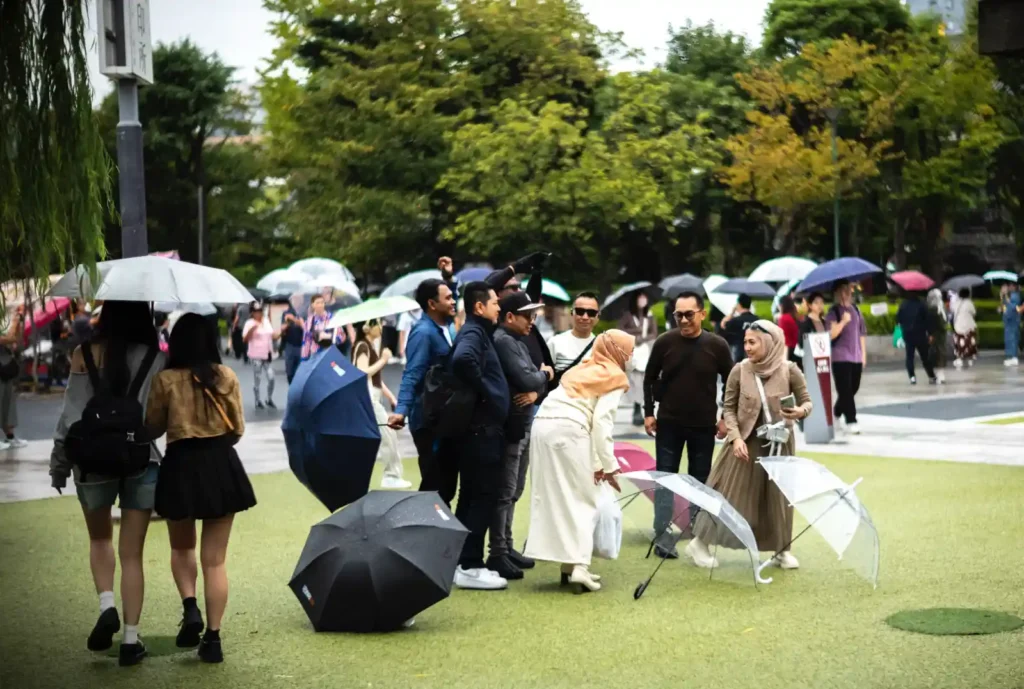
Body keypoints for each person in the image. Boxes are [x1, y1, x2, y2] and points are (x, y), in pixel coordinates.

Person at [48, 301, 165, 666]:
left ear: (107, 315)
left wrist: (59, 465)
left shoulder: (82, 354)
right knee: (132, 554)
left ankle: (106, 605)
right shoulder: (154, 358)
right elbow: (157, 418)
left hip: (92, 462)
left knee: (99, 539)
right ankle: (131, 641)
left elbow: (70, 415)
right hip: (140, 460)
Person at [146, 313, 254, 664]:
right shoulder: (226, 376)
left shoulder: (166, 380)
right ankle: (214, 637)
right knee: (216, 560)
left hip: (180, 465)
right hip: (221, 464)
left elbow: (153, 427)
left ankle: (190, 607)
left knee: (181, 549)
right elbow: (237, 429)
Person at [693, 321, 812, 569]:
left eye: (752, 342)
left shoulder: (790, 370)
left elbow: (807, 403)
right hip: (745, 444)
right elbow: (728, 409)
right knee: (729, 496)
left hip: (780, 444)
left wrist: (799, 412)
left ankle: (782, 550)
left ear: (769, 343)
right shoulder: (740, 370)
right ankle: (699, 543)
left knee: (778, 499)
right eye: (745, 341)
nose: (746, 347)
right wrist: (735, 438)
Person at [525, 330, 635, 593]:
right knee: (586, 500)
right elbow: (601, 423)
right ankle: (579, 568)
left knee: (554, 497)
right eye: (627, 350)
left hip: (541, 428)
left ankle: (567, 564)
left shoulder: (580, 370)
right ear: (616, 351)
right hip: (571, 430)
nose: (630, 356)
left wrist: (599, 464)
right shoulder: (615, 376)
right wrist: (609, 467)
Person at [643, 292, 734, 559]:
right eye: (678, 315)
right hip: (668, 424)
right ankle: (662, 535)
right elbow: (648, 378)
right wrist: (648, 413)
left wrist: (725, 416)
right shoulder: (664, 342)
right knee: (665, 479)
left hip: (704, 425)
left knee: (700, 482)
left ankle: (699, 536)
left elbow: (732, 382)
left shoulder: (717, 345)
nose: (683, 320)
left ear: (702, 314)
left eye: (688, 314)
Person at [444, 281, 510, 591]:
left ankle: (462, 562)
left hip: (476, 431)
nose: (499, 306)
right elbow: (462, 361)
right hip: (482, 432)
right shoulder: (473, 333)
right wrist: (490, 392)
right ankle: (470, 564)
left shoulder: (475, 331)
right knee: (481, 496)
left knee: (471, 497)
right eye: (495, 302)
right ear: (479, 307)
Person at [490, 292, 552, 580]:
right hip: (512, 425)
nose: (532, 321)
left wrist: (537, 384)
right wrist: (544, 376)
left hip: (523, 423)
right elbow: (531, 378)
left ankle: (506, 545)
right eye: (528, 315)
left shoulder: (516, 342)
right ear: (510, 316)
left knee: (514, 490)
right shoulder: (504, 341)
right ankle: (498, 552)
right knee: (505, 491)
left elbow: (534, 386)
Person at [388, 279, 457, 498]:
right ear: (432, 304)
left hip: (443, 416)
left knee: (444, 485)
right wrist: (401, 410)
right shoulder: (423, 333)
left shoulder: (444, 327)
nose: (453, 301)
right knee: (435, 485)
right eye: (448, 298)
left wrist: (449, 277)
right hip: (428, 420)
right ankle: (418, 527)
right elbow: (412, 373)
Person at [352, 319, 409, 489]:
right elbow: (362, 373)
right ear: (367, 328)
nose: (380, 328)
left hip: (373, 395)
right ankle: (390, 475)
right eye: (377, 324)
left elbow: (377, 379)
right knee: (387, 434)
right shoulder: (362, 346)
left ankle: (391, 474)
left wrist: (391, 397)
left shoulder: (369, 346)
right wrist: (383, 360)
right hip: (368, 396)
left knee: (385, 435)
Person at [826, 281, 867, 436]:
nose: (846, 293)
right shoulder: (834, 312)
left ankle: (836, 412)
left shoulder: (856, 310)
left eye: (848, 290)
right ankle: (851, 420)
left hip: (855, 356)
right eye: (842, 291)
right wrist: (843, 321)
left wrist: (863, 355)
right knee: (845, 390)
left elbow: (862, 333)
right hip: (840, 356)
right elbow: (831, 334)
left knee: (853, 388)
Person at [619, 291, 658, 426]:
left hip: (645, 351)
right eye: (640, 297)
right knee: (634, 381)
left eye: (644, 297)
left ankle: (643, 409)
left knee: (644, 381)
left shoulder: (650, 315)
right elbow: (621, 329)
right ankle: (636, 409)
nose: (642, 300)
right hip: (632, 351)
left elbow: (654, 333)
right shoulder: (628, 315)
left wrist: (643, 338)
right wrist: (636, 334)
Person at [547, 292, 599, 381]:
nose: (585, 317)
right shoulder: (555, 343)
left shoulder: (602, 346)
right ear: (572, 313)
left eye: (591, 313)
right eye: (580, 311)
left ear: (598, 316)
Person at [243, 304, 281, 409]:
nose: (258, 313)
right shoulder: (249, 323)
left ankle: (269, 398)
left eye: (260, 311)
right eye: (256, 311)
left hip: (267, 354)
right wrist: (252, 330)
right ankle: (257, 400)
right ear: (252, 313)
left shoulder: (266, 321)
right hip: (255, 355)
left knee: (271, 377)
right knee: (257, 377)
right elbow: (245, 339)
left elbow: (272, 335)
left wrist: (281, 331)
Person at [0, 306, 27, 450]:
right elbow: (9, 339)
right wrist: (15, 322)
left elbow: (16, 341)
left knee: (8, 403)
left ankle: (10, 437)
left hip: (5, 369)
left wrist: (18, 324)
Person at [896, 293, 936, 385]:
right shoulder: (922, 304)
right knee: (925, 356)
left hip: (907, 334)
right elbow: (927, 319)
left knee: (910, 356)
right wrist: (930, 333)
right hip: (920, 334)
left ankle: (912, 377)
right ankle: (931, 376)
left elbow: (898, 319)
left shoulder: (903, 305)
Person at [721, 294, 758, 362]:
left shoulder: (735, 321)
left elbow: (723, 325)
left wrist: (732, 313)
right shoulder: (757, 320)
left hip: (738, 353)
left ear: (739, 304)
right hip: (754, 353)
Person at [951, 287, 978, 368]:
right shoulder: (969, 303)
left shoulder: (956, 303)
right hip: (969, 325)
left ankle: (959, 358)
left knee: (959, 342)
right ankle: (969, 358)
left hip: (958, 325)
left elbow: (952, 310)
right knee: (969, 342)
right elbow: (974, 312)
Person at [926, 289, 948, 385]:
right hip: (941, 335)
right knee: (941, 354)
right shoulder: (942, 308)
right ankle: (941, 375)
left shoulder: (932, 308)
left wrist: (930, 334)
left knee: (934, 354)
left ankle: (935, 376)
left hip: (934, 335)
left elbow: (930, 323)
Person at [280, 297, 305, 384]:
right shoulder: (286, 313)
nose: (297, 301)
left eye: (298, 299)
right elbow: (281, 329)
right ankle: (291, 385)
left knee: (300, 371)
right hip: (289, 345)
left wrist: (294, 319)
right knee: (289, 371)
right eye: (294, 299)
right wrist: (287, 323)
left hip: (301, 345)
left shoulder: (304, 313)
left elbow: (306, 328)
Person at [301, 295, 333, 361]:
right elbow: (306, 339)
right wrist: (304, 358)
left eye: (322, 302)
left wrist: (328, 336)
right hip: (315, 354)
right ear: (313, 305)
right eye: (317, 303)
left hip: (329, 352)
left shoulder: (331, 318)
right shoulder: (310, 320)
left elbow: (341, 336)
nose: (320, 305)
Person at [999, 283, 1022, 366]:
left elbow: (1015, 308)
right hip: (1008, 321)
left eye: (1011, 286)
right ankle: (1010, 356)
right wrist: (1002, 297)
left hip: (1013, 320)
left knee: (1012, 338)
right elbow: (1004, 306)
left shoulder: (1015, 296)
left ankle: (1014, 357)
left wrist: (1007, 300)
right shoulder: (1008, 296)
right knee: (1008, 338)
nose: (1009, 287)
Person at [777, 296, 800, 364]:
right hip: (798, 351)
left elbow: (785, 341)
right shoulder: (796, 316)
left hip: (789, 352)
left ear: (782, 306)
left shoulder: (784, 319)